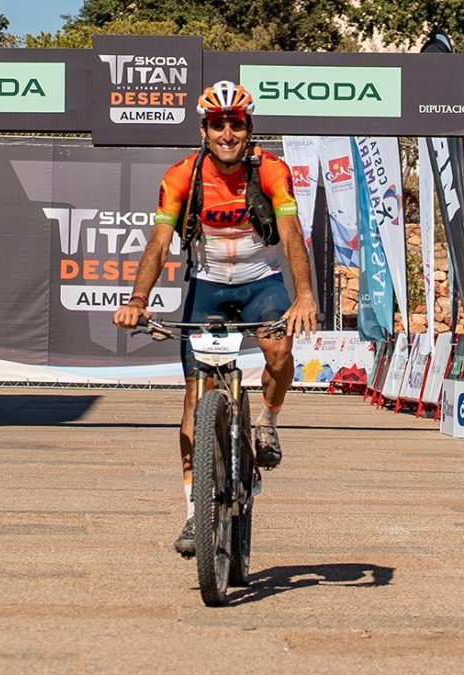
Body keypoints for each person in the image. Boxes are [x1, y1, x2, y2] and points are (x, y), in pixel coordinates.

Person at [111, 81, 318, 557]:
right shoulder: (182, 175)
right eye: (218, 125)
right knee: (193, 398)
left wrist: (304, 296)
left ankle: (267, 421)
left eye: (236, 124)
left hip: (260, 282)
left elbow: (291, 235)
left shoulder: (271, 170)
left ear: (249, 128)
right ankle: (193, 512)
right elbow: (159, 242)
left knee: (278, 349)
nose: (228, 133)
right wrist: (138, 299)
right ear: (203, 130)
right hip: (207, 287)